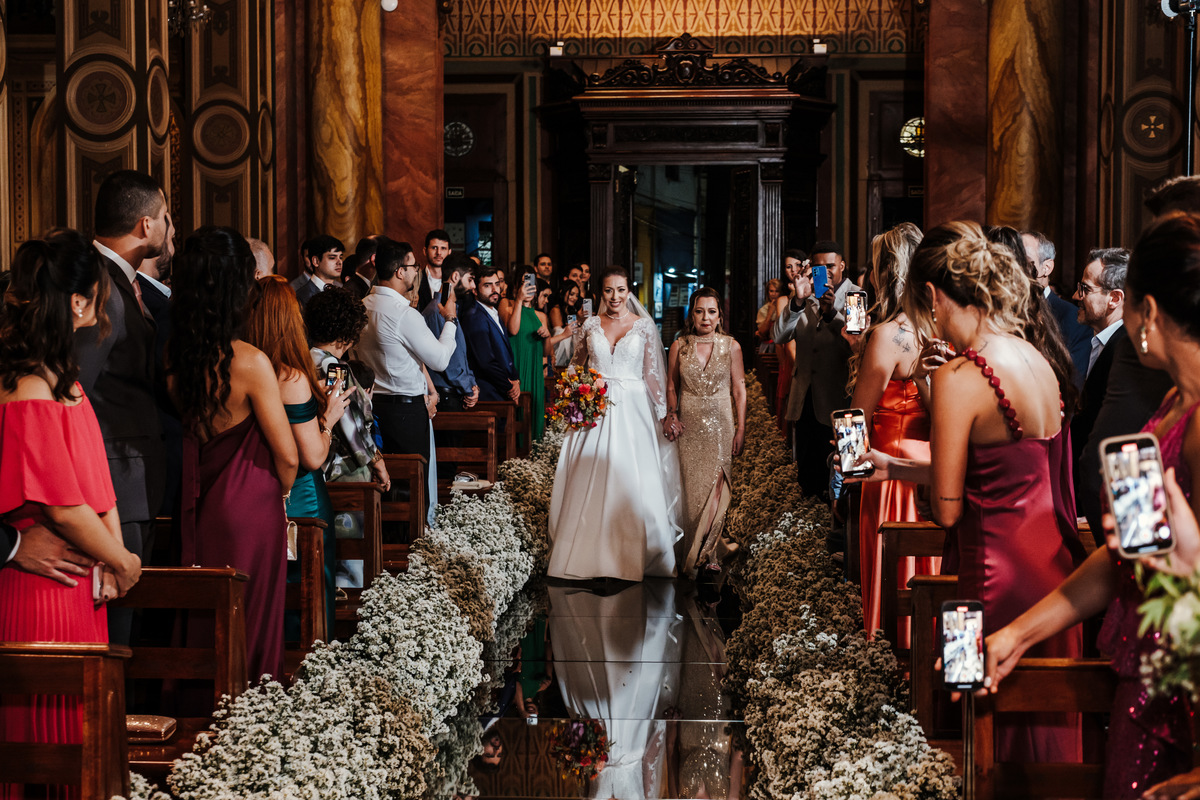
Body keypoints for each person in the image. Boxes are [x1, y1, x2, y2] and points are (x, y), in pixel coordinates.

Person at [980, 212, 1200, 799]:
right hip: (1145, 675)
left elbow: (1175, 568)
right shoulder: (1174, 404)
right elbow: (1122, 557)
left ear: (1145, 314)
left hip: (1188, 688)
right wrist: (1018, 635)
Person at [851, 221, 1086, 764]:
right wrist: (897, 465)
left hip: (989, 574)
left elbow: (952, 509)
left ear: (933, 296)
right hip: (1050, 570)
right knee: (1042, 720)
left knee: (979, 726)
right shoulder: (1038, 359)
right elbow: (1005, 469)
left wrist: (916, 470)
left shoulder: (963, 374)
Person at [0, 232, 143, 798]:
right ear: (79, 303)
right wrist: (124, 559)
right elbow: (61, 504)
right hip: (44, 586)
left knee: (84, 744)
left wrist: (113, 556)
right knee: (49, 746)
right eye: (100, 296)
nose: (105, 306)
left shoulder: (67, 383)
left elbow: (97, 487)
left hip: (83, 583)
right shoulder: (30, 389)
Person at [168, 226, 299, 682]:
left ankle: (197, 715)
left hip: (198, 501)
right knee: (252, 624)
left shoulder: (170, 355)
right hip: (251, 507)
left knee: (206, 617)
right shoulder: (249, 361)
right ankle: (248, 726)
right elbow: (288, 456)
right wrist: (276, 493)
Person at [548, 265, 683, 581]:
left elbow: (652, 374)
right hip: (595, 409)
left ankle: (633, 553)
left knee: (630, 477)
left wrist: (663, 413)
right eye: (608, 290)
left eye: (621, 290)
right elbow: (576, 365)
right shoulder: (589, 325)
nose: (615, 297)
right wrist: (573, 396)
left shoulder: (643, 326)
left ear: (628, 291)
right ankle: (586, 555)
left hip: (633, 409)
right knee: (588, 477)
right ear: (600, 293)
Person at [79, 169, 168, 645]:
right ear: (144, 225)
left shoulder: (121, 282)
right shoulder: (102, 288)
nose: (170, 227)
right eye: (167, 217)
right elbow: (77, 389)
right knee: (117, 632)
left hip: (130, 477)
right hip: (113, 479)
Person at [843, 222, 938, 643]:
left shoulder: (886, 336)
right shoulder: (941, 329)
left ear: (887, 272)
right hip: (932, 464)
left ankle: (885, 656)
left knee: (888, 572)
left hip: (887, 471)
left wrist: (844, 474)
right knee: (927, 573)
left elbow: (856, 418)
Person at [244, 275, 350, 636]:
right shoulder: (291, 377)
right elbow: (312, 456)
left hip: (256, 494)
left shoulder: (245, 368)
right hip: (301, 499)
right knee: (308, 604)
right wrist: (327, 418)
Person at [664, 288, 746, 577]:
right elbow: (671, 386)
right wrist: (671, 415)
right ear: (692, 314)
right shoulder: (679, 346)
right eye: (700, 311)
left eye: (712, 311)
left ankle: (709, 553)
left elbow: (739, 389)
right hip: (689, 427)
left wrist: (741, 428)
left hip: (721, 425)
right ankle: (691, 548)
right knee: (691, 494)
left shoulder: (731, 346)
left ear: (719, 315)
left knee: (717, 489)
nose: (706, 317)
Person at [357, 238, 458, 460]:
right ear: (400, 272)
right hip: (405, 411)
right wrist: (450, 319)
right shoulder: (404, 314)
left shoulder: (362, 306)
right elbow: (440, 360)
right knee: (414, 484)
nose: (416, 272)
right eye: (414, 267)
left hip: (372, 407)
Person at [774, 241, 861, 498]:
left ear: (842, 265)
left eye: (831, 266)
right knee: (807, 478)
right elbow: (779, 336)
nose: (826, 272)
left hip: (839, 400)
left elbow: (859, 346)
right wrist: (798, 302)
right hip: (805, 399)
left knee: (838, 482)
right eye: (819, 267)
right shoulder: (803, 295)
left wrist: (832, 312)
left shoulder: (856, 296)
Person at [1022, 230, 1093, 385]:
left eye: (1025, 261)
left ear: (1046, 267)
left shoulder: (1073, 319)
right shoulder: (1002, 313)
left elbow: (1072, 385)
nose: (1016, 268)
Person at [421, 252, 480, 412]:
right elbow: (449, 363)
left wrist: (473, 385)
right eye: (470, 279)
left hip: (454, 394)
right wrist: (469, 388)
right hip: (445, 398)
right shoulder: (436, 311)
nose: (473, 286)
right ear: (455, 276)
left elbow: (460, 355)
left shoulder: (450, 307)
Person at [460, 264, 521, 403]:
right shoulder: (475, 317)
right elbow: (486, 362)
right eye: (487, 285)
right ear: (475, 290)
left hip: (500, 390)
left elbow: (504, 353)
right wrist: (510, 386)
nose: (495, 290)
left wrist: (515, 379)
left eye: (497, 284)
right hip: (490, 392)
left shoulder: (492, 311)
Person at [507, 265, 550, 440]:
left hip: (534, 371)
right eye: (525, 281)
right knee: (517, 414)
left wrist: (547, 337)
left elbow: (546, 352)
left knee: (534, 415)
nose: (529, 287)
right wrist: (519, 300)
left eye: (531, 282)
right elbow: (513, 330)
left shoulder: (541, 316)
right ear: (517, 285)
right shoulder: (508, 305)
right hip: (517, 368)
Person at [771, 251, 805, 429]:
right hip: (789, 353)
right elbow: (783, 335)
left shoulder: (812, 295)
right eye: (788, 266)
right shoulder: (783, 299)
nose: (793, 270)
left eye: (797, 265)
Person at [290, 234, 344, 307]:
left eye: (340, 257)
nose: (339, 262)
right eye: (332, 257)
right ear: (316, 261)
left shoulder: (342, 291)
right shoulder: (302, 296)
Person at [548, 279, 583, 370]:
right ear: (562, 292)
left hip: (570, 356)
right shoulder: (556, 310)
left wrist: (580, 319)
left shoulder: (571, 311)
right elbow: (559, 335)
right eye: (571, 294)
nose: (574, 298)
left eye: (577, 295)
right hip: (557, 355)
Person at [415, 229, 451, 311]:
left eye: (443, 248)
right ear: (425, 251)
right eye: (434, 248)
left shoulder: (454, 281)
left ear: (449, 252)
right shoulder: (414, 279)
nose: (439, 253)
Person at [755, 278, 783, 352]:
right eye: (771, 291)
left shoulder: (786, 306)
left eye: (777, 291)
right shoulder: (763, 310)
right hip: (769, 347)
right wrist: (769, 313)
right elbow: (762, 333)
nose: (773, 294)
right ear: (768, 292)